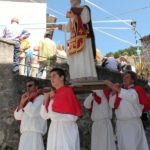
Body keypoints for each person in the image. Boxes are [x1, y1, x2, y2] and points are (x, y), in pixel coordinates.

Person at [104, 71, 149, 150]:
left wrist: (112, 86)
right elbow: (111, 104)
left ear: (132, 80)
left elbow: (130, 96)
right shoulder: (120, 91)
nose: (124, 78)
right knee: (123, 146)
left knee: (133, 146)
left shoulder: (136, 90)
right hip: (121, 124)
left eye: (127, 77)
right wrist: (114, 92)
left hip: (132, 125)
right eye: (123, 77)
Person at [40, 68, 82, 150]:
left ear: (62, 77)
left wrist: (52, 98)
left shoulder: (67, 91)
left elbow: (54, 115)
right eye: (50, 77)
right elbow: (44, 116)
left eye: (54, 76)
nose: (51, 79)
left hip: (66, 130)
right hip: (54, 129)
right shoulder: (54, 94)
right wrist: (46, 98)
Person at [57, 0, 97, 82]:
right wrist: (60, 27)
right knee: (76, 59)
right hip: (74, 40)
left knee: (84, 57)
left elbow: (85, 20)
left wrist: (74, 15)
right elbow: (69, 28)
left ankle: (87, 76)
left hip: (84, 38)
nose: (70, 1)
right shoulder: (72, 12)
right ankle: (77, 77)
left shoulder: (84, 8)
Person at [14, 79, 47, 150]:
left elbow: (33, 112)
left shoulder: (41, 98)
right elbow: (17, 116)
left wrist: (25, 102)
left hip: (35, 136)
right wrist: (21, 103)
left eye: (30, 85)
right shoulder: (26, 101)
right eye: (27, 86)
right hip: (24, 136)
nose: (28, 88)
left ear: (36, 87)